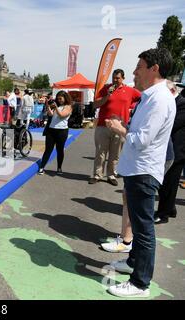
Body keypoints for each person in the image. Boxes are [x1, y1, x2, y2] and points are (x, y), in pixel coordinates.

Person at [106, 48, 175, 298]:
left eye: (139, 66)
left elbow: (143, 139)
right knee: (137, 223)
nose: (134, 72)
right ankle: (133, 263)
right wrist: (125, 127)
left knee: (144, 229)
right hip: (138, 169)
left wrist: (119, 128)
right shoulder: (152, 96)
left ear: (154, 68)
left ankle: (140, 283)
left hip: (144, 171)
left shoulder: (159, 99)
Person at [90, 69, 141, 186]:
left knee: (115, 154)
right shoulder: (106, 88)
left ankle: (111, 175)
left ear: (123, 78)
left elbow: (143, 99)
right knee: (100, 152)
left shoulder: (130, 91)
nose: (115, 80)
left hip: (120, 127)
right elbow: (95, 105)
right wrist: (108, 95)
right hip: (103, 126)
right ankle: (97, 174)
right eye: (113, 78)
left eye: (117, 78)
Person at [154, 80, 185, 224]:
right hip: (167, 150)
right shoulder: (172, 102)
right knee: (165, 183)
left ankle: (163, 214)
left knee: (169, 184)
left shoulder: (182, 103)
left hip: (178, 151)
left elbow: (171, 125)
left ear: (172, 91)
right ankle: (170, 208)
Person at [38, 91, 72, 175]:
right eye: (58, 98)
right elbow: (50, 114)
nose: (59, 100)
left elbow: (62, 115)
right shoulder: (56, 105)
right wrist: (47, 105)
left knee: (59, 150)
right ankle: (42, 167)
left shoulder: (68, 106)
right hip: (51, 130)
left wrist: (56, 107)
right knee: (48, 149)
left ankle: (59, 167)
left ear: (65, 98)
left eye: (60, 98)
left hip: (62, 131)